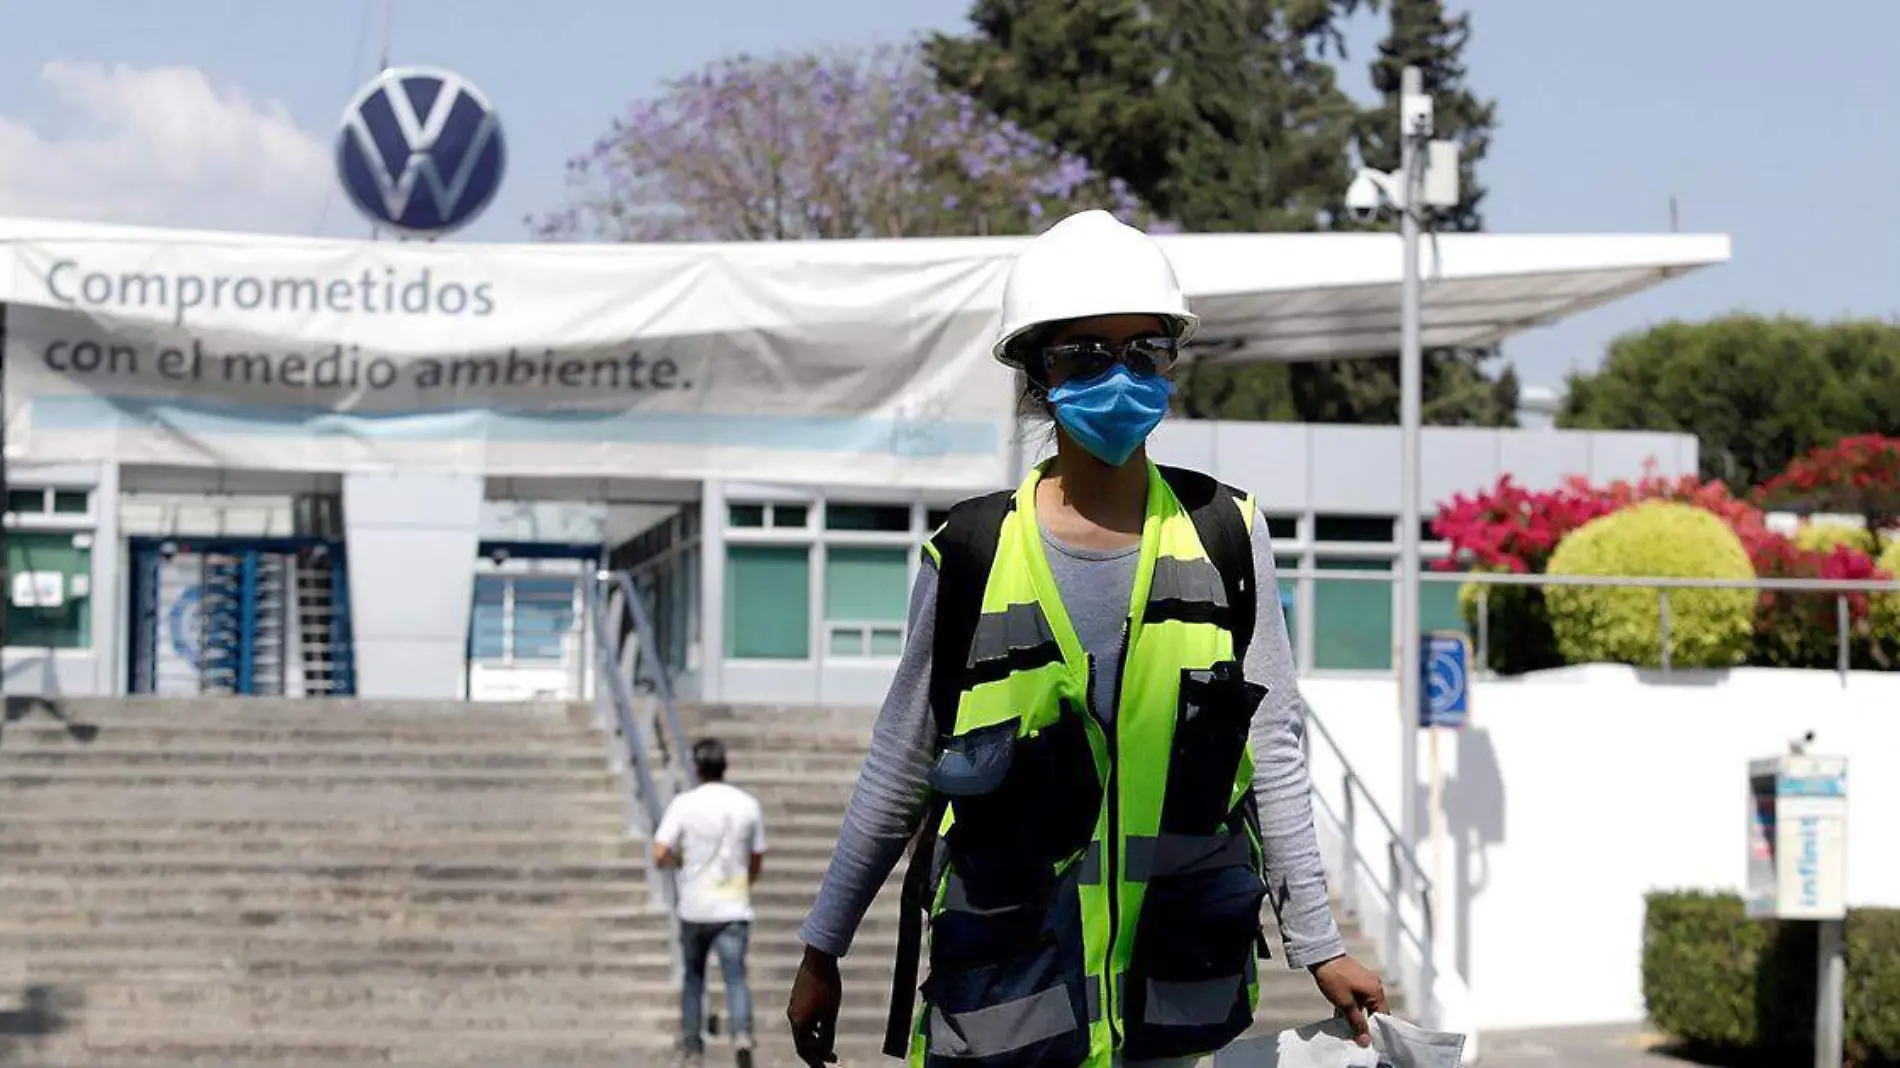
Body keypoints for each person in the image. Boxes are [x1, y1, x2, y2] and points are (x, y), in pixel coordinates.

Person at [786, 209, 1387, 1068]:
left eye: (1145, 351)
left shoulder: (1225, 532)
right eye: (1085, 355)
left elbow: (1274, 747)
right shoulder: (973, 551)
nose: (1120, 378)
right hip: (1009, 997)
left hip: (1175, 994)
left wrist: (1319, 943)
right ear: (1037, 373)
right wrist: (823, 948)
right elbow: (901, 760)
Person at [655, 738, 768, 1068]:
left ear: (696, 767)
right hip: (734, 905)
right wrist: (747, 881)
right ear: (725, 766)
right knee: (736, 976)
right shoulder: (747, 804)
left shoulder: (684, 804)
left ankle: (692, 1047)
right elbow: (757, 856)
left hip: (695, 906)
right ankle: (743, 1035)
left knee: (693, 978)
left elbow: (659, 851)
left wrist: (681, 863)